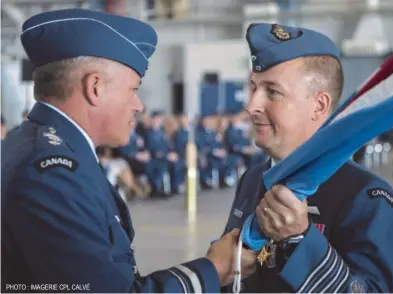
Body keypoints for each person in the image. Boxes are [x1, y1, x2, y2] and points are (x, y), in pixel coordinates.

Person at [1, 8, 257, 293]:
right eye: (133, 89)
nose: (139, 105)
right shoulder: (52, 173)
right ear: (95, 88)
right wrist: (213, 269)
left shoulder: (32, 146)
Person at [221, 23, 393, 292]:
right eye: (253, 87)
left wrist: (300, 240)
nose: (252, 105)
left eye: (273, 91)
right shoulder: (252, 179)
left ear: (319, 105)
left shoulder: (365, 196)